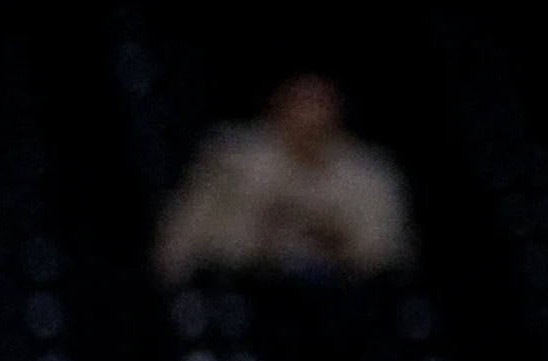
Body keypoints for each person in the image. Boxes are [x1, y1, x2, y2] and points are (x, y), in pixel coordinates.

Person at [154, 73, 413, 284]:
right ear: (277, 105)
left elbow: (390, 255)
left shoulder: (371, 174)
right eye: (300, 100)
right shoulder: (232, 161)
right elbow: (179, 247)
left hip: (349, 309)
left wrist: (335, 238)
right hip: (244, 300)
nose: (310, 115)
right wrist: (264, 236)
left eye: (321, 101)